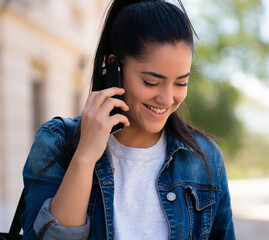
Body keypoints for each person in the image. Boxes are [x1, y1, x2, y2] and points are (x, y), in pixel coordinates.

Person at [20, 0, 235, 239]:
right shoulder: (57, 142)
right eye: (151, 82)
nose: (166, 99)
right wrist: (85, 156)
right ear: (114, 68)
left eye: (180, 82)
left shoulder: (204, 158)